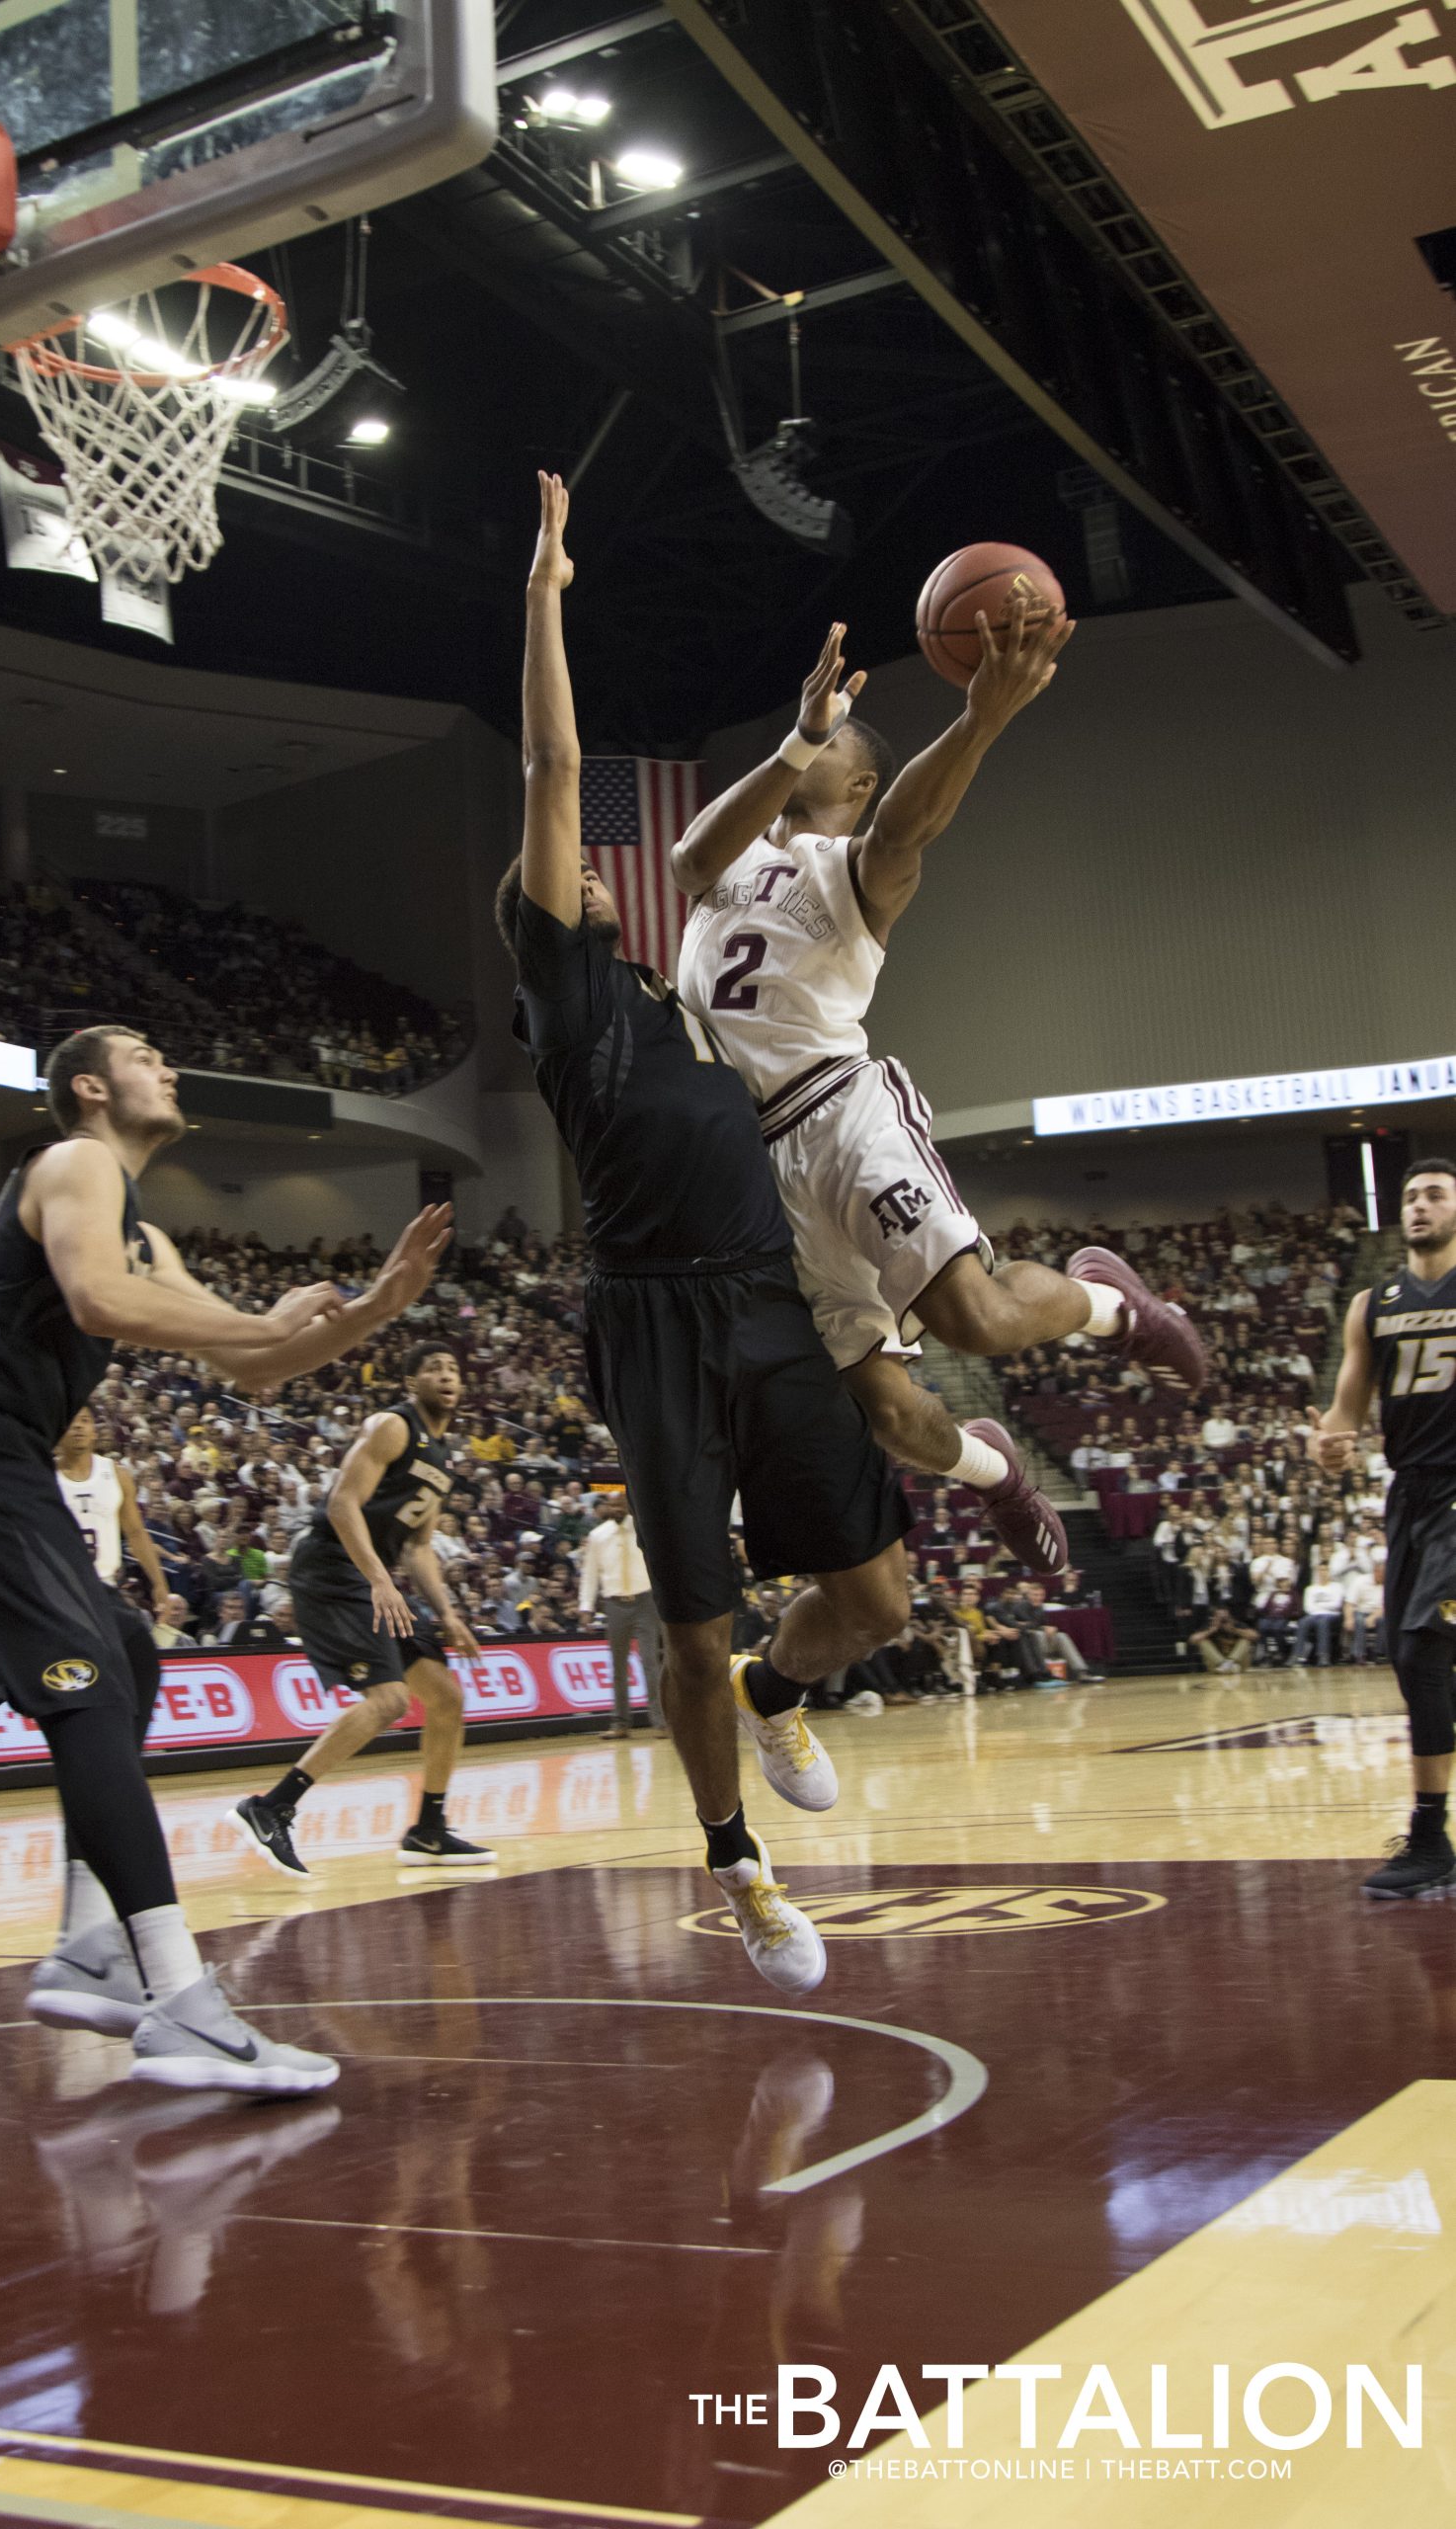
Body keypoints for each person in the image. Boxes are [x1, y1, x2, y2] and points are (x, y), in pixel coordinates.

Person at [491, 473, 914, 1997]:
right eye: (572, 875)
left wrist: (805, 745)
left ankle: (779, 1684)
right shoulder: (573, 999)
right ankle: (735, 1862)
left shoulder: (689, 1005)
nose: (596, 869)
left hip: (761, 1294)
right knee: (683, 1625)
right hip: (653, 1318)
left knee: (874, 1600)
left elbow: (740, 883)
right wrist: (547, 590)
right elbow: (552, 762)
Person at [0, 1020, 450, 2092]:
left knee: (127, 1657)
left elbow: (260, 1362)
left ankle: (90, 1943)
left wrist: (374, 1309)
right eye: (143, 1055)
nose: (168, 1065)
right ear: (89, 1087)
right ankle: (178, 1998)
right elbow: (102, 1305)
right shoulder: (74, 1161)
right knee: (90, 1691)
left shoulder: (143, 1235)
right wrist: (250, 1320)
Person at [670, 613, 1207, 1548]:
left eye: (832, 738)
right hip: (748, 1178)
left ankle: (1116, 1308)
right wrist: (799, 737)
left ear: (863, 781)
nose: (810, 739)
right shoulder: (735, 854)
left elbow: (910, 826)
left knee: (977, 1319)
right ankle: (995, 1471)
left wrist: (981, 718)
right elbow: (684, 862)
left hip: (840, 1116)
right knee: (886, 1414)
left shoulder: (857, 869)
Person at [230, 1343, 496, 1875]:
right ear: (411, 1382)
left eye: (453, 1368)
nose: (447, 1374)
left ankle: (429, 1831)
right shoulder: (393, 1427)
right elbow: (341, 1503)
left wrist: (446, 1613)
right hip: (331, 1568)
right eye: (434, 1368)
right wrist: (378, 1578)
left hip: (370, 1577)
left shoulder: (443, 1456)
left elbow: (419, 1546)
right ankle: (271, 1807)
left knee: (445, 1698)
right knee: (390, 1699)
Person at [1309, 1161, 1456, 1897]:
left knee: (1423, 1640)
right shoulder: (1371, 1303)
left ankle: (1430, 1838)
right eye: (1408, 1197)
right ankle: (1432, 1840)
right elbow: (1344, 1410)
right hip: (1409, 1495)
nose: (1418, 1206)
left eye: (1433, 1194)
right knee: (1409, 1660)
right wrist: (1328, 1443)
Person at [54, 1403, 167, 1762]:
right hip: (63, 1592)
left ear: (95, 1430)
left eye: (85, 1421)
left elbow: (135, 1532)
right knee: (119, 1661)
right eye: (71, 1421)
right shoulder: (43, 1477)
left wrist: (159, 1583)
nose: (79, 1428)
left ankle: (126, 1756)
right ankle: (116, 1758)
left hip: (104, 1587)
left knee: (141, 1660)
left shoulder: (114, 1474)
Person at [577, 1489, 665, 1740]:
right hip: (614, 1604)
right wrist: (586, 1606)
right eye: (612, 1505)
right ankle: (619, 1723)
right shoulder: (597, 1536)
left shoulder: (642, 1530)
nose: (616, 1509)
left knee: (651, 1663)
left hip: (645, 1601)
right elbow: (590, 1574)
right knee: (617, 1667)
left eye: (621, 1505)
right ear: (606, 1506)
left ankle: (660, 1722)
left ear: (629, 1505)